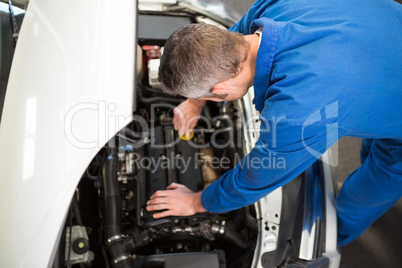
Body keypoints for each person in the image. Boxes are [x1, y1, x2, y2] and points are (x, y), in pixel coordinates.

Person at [146, 0, 402, 246]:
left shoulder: (296, 109)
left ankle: (335, 236)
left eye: (205, 95)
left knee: (360, 197)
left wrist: (194, 203)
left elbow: (254, 178)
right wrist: (195, 102)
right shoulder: (274, 5)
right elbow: (228, 41)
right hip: (386, 46)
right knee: (377, 123)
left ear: (220, 89)